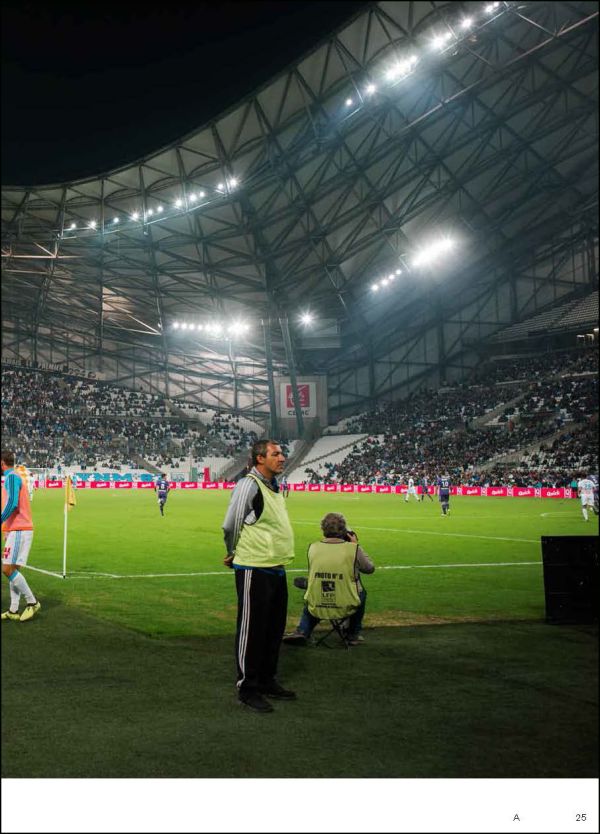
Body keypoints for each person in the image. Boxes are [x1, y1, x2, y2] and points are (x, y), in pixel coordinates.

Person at [222, 439, 295, 713]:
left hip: (276, 566)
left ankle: (266, 679)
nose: (282, 457)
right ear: (259, 459)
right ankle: (247, 687)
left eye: (282, 453)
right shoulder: (248, 485)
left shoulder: (274, 487)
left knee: (273, 628)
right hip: (254, 567)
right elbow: (231, 524)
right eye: (276, 454)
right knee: (252, 629)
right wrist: (232, 552)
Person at [283, 512, 375, 647]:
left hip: (319, 603)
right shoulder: (353, 549)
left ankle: (302, 630)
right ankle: (353, 634)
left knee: (314, 590)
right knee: (360, 590)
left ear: (323, 529)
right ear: (344, 531)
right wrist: (356, 545)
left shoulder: (313, 548)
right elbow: (369, 568)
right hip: (346, 603)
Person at [1, 450, 41, 622]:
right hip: (17, 529)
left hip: (20, 529)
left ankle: (32, 602)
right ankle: (13, 610)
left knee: (7, 569)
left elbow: (12, 503)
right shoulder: (14, 477)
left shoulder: (11, 477)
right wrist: (6, 528)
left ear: (2, 463)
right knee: (13, 570)